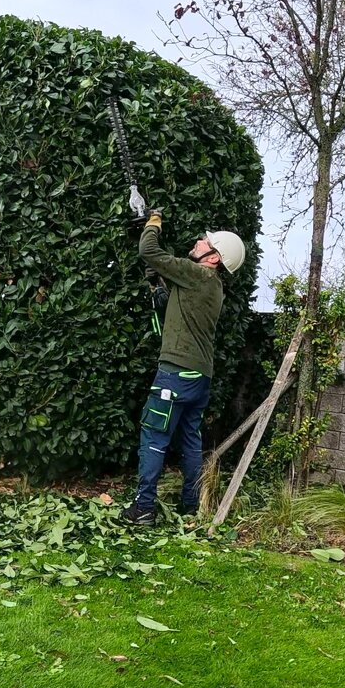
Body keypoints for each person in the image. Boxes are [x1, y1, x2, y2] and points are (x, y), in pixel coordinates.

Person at [121, 211, 246, 527]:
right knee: (190, 440)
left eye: (206, 241)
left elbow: (148, 251)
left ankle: (144, 508)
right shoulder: (212, 287)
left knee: (154, 434)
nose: (199, 240)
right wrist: (157, 284)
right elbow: (174, 309)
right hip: (199, 378)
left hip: (175, 374)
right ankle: (191, 506)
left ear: (214, 258)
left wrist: (153, 222)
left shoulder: (196, 274)